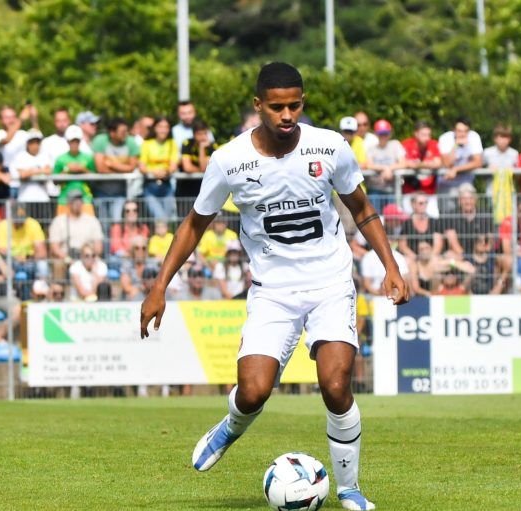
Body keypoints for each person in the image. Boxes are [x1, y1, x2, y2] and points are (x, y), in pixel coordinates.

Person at [140, 62, 407, 511]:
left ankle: (349, 488)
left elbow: (362, 209)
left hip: (330, 281)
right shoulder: (229, 160)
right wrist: (160, 285)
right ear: (258, 105)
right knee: (253, 391)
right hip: (273, 290)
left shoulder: (330, 146)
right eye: (277, 107)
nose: (287, 115)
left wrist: (391, 265)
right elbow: (194, 224)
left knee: (335, 384)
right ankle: (230, 426)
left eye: (295, 106)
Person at [48, 189, 104, 282]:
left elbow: (98, 247)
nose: (78, 203)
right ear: (68, 203)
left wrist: (89, 258)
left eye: (80, 200)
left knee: (101, 266)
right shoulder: (59, 221)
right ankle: (59, 289)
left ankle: (96, 290)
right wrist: (68, 259)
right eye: (74, 200)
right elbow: (54, 248)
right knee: (58, 264)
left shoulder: (92, 220)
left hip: (88, 256)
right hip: (67, 258)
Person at [92, 117, 140, 221]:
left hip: (120, 193)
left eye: (126, 131)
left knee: (117, 222)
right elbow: (100, 168)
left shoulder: (131, 142)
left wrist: (111, 164)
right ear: (112, 133)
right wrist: (123, 169)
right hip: (101, 192)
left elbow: (132, 168)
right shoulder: (100, 141)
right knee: (103, 223)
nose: (126, 134)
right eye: (122, 132)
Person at [140, 116, 179, 220]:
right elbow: (142, 167)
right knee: (160, 218)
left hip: (166, 185)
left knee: (167, 219)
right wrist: (154, 172)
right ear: (155, 128)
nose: (163, 130)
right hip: (150, 186)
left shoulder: (172, 143)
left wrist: (165, 171)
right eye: (160, 126)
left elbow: (173, 166)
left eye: (166, 127)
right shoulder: (147, 144)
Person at [52, 125, 97, 216]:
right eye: (72, 141)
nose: (74, 144)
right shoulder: (60, 159)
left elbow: (95, 178)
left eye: (77, 141)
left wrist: (83, 169)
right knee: (63, 224)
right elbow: (55, 181)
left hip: (85, 199)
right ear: (68, 142)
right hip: (64, 199)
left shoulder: (88, 158)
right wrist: (67, 169)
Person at [437, 117, 483, 203]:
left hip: (466, 183)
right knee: (448, 209)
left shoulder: (474, 137)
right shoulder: (445, 138)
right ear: (454, 130)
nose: (462, 134)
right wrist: (456, 145)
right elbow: (447, 163)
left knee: (468, 202)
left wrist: (456, 169)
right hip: (447, 183)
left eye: (466, 131)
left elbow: (478, 162)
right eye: (459, 131)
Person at [365, 119, 407, 212]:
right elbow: (369, 165)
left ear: (390, 133)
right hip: (375, 190)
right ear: (376, 134)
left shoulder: (395, 144)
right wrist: (385, 168)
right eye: (381, 134)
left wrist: (389, 169)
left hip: (392, 190)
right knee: (376, 218)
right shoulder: (371, 148)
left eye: (385, 133)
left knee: (393, 218)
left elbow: (403, 163)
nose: (383, 136)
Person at [442, 183, 494, 258]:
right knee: (449, 255)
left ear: (475, 199)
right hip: (460, 255)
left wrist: (484, 251)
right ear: (459, 201)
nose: (468, 202)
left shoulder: (485, 214)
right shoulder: (451, 216)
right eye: (464, 199)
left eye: (471, 198)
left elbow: (490, 240)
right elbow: (452, 241)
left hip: (481, 253)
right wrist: (466, 258)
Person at [178, 118, 218, 214]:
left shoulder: (212, 146)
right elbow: (187, 167)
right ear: (194, 134)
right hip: (186, 187)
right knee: (184, 215)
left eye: (205, 133)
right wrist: (201, 169)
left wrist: (201, 148)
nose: (202, 137)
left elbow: (204, 168)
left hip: (204, 187)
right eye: (199, 134)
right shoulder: (187, 143)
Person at [400, 121, 442, 206]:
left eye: (429, 135)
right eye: (423, 135)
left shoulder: (434, 144)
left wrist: (418, 165)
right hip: (409, 193)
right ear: (416, 134)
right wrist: (428, 164)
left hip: (429, 193)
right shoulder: (406, 144)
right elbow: (403, 163)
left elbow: (437, 163)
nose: (427, 138)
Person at [10, 128, 52, 207]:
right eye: (32, 142)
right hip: (25, 199)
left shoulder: (45, 155)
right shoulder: (21, 156)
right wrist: (40, 170)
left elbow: (48, 171)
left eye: (37, 142)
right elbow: (22, 174)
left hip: (42, 199)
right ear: (28, 143)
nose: (35, 145)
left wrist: (31, 171)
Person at [397, 192, 443, 261]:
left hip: (431, 258)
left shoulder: (434, 222)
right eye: (421, 203)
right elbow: (402, 246)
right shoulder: (407, 223)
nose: (424, 205)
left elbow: (438, 244)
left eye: (426, 203)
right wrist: (415, 258)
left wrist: (430, 259)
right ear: (413, 204)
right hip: (413, 259)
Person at [482, 124, 519, 196]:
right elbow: (480, 171)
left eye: (506, 137)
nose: (503, 140)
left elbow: (518, 176)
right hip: (492, 193)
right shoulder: (487, 152)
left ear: (510, 139)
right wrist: (487, 169)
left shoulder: (514, 153)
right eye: (501, 137)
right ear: (495, 138)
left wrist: (513, 170)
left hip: (509, 194)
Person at [120, 236, 157, 301]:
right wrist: (141, 289)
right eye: (137, 248)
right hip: (132, 296)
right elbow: (126, 287)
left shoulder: (152, 264)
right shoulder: (127, 265)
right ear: (132, 250)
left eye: (143, 248)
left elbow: (157, 283)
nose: (140, 251)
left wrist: (141, 289)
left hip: (149, 294)